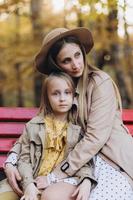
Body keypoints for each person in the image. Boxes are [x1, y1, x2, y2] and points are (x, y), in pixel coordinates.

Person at [1, 27, 133, 199]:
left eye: (78, 55)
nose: (76, 64)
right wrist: (11, 160)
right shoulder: (58, 90)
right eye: (66, 60)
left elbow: (94, 138)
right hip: (76, 163)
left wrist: (55, 176)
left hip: (110, 162)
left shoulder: (100, 83)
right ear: (57, 65)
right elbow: (36, 128)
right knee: (48, 195)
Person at [0, 72, 95, 200]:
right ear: (47, 97)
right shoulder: (33, 126)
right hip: (28, 180)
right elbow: (24, 160)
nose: (62, 98)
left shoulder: (78, 130)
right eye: (55, 93)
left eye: (67, 92)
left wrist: (86, 180)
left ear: (74, 96)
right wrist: (28, 185)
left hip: (59, 184)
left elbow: (83, 162)